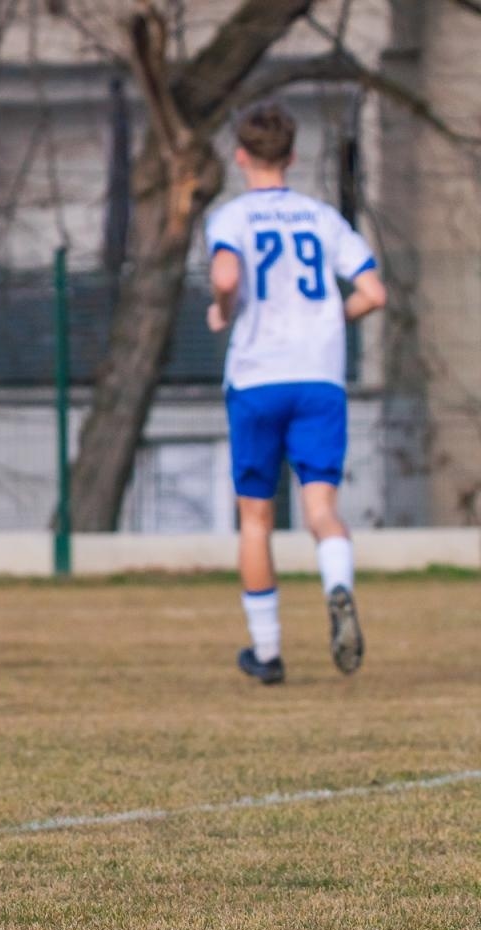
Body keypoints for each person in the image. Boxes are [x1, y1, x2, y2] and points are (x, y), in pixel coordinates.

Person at [204, 102, 386, 685]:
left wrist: (221, 309)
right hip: (320, 377)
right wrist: (334, 317)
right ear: (292, 156)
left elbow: (227, 276)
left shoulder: (233, 217)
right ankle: (337, 585)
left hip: (259, 376)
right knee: (322, 509)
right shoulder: (320, 216)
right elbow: (374, 293)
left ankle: (268, 653)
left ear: (240, 156)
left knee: (256, 518)